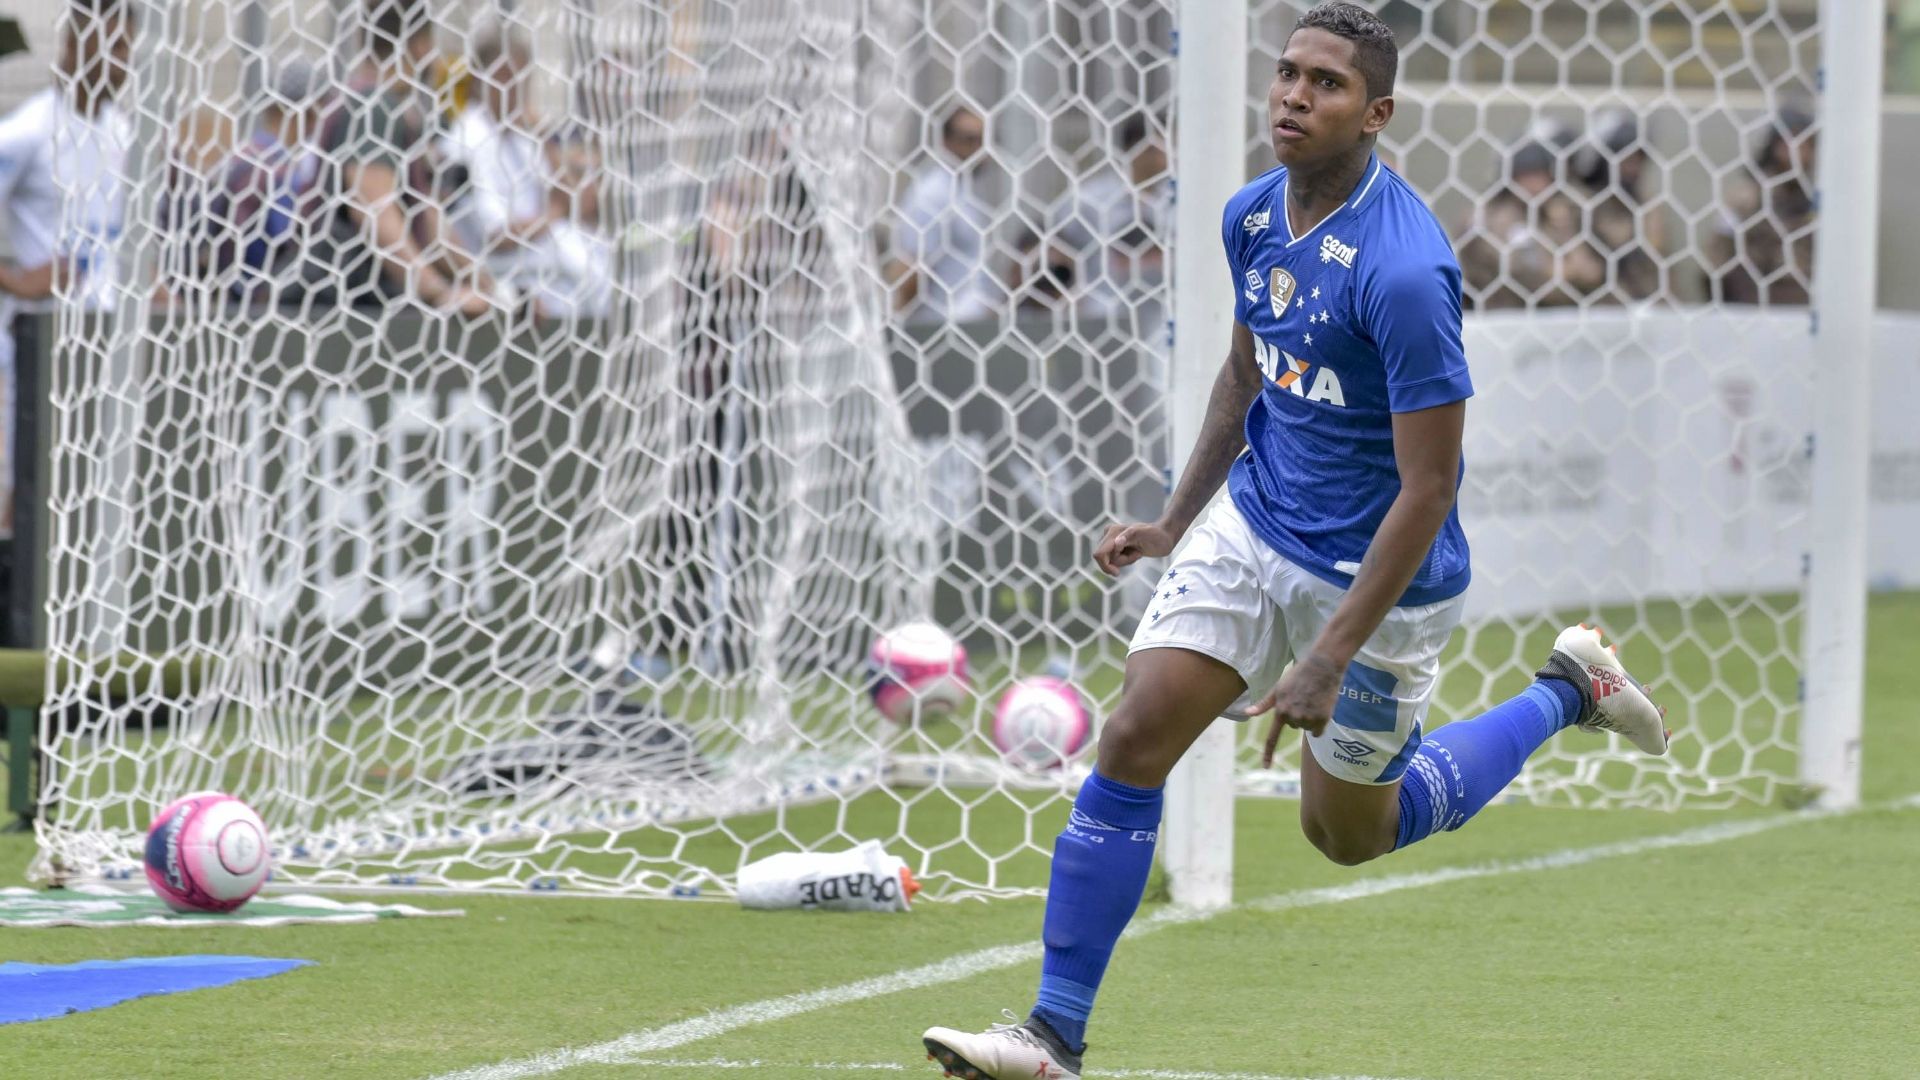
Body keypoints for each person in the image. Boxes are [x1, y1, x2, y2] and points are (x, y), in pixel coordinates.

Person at [920, 6, 1669, 1078]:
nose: (1293, 96)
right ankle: (1051, 1037)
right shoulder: (1251, 214)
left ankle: (1566, 691)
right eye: (1287, 73)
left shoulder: (1404, 272)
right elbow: (1246, 375)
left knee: (1347, 834)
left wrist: (1329, 653)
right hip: (1256, 519)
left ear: (1376, 114)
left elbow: (1430, 487)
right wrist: (1175, 521)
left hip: (1377, 579)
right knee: (1133, 735)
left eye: (1326, 84)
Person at [0, 0, 131, 536]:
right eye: (113, 46)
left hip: (111, 342)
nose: (123, 62)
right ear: (74, 44)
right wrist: (13, 278)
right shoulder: (29, 130)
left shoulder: (124, 134)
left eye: (129, 47)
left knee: (98, 492)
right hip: (41, 344)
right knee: (27, 489)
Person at [318, 0, 491, 313]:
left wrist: (491, 288)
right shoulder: (373, 106)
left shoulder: (389, 108)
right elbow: (376, 214)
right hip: (348, 307)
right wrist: (439, 293)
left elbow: (426, 219)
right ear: (421, 44)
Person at [440, 22, 553, 296]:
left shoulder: (522, 139)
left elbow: (573, 198)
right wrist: (556, 214)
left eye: (522, 77)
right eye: (505, 76)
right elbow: (497, 238)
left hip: (542, 267)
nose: (516, 88)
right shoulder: (468, 139)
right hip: (502, 277)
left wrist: (546, 139)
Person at [1044, 112, 1170, 316]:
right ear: (1139, 148)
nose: (1171, 155)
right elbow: (1056, 249)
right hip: (1101, 313)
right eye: (1163, 146)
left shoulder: (1175, 203)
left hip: (1162, 318)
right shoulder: (1088, 200)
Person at [888, 106, 1004, 323]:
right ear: (945, 142)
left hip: (970, 326)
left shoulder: (965, 193)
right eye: (969, 139)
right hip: (940, 325)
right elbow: (912, 267)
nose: (979, 149)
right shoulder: (932, 195)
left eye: (985, 140)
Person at [1709, 106, 1814, 306]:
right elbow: (1718, 254)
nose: (1797, 152)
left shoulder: (1813, 200)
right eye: (1789, 142)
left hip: (1799, 302)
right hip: (1751, 299)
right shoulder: (1746, 196)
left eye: (1805, 145)